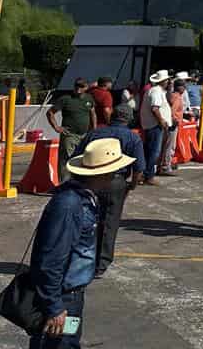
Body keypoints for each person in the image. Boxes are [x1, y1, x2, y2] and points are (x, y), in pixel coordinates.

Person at [27, 137, 136, 348]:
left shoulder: (84, 197)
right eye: (115, 172)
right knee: (59, 344)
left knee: (66, 342)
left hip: (71, 295)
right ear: (103, 174)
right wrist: (54, 307)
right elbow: (51, 259)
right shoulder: (70, 204)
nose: (117, 178)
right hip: (63, 298)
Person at [75, 105, 143, 277]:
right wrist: (131, 186)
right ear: (128, 118)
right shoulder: (132, 138)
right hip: (116, 182)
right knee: (109, 223)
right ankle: (100, 265)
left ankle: (80, 259)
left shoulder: (94, 133)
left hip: (91, 179)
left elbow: (77, 157)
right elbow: (139, 168)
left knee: (86, 220)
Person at [48, 79, 97, 185]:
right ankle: (64, 184)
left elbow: (93, 113)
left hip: (84, 135)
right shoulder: (66, 99)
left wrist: (94, 129)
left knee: (83, 159)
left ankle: (79, 183)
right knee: (66, 159)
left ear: (86, 87)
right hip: (70, 134)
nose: (78, 88)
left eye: (81, 86)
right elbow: (50, 112)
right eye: (76, 85)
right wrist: (57, 127)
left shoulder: (89, 99)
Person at [138, 70, 172, 185]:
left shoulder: (155, 91)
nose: (168, 82)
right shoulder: (156, 92)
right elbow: (155, 108)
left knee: (150, 151)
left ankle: (145, 174)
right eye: (167, 80)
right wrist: (161, 120)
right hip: (154, 125)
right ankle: (149, 175)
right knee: (153, 152)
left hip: (152, 125)